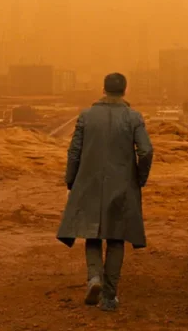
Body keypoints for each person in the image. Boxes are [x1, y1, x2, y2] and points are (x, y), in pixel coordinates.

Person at [56, 72, 153, 312]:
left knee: (92, 234)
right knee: (116, 237)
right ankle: (109, 297)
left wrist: (71, 180)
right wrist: (139, 179)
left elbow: (74, 152)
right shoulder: (133, 117)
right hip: (122, 185)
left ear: (103, 89)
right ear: (125, 90)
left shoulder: (86, 116)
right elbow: (146, 151)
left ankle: (94, 278)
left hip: (89, 183)